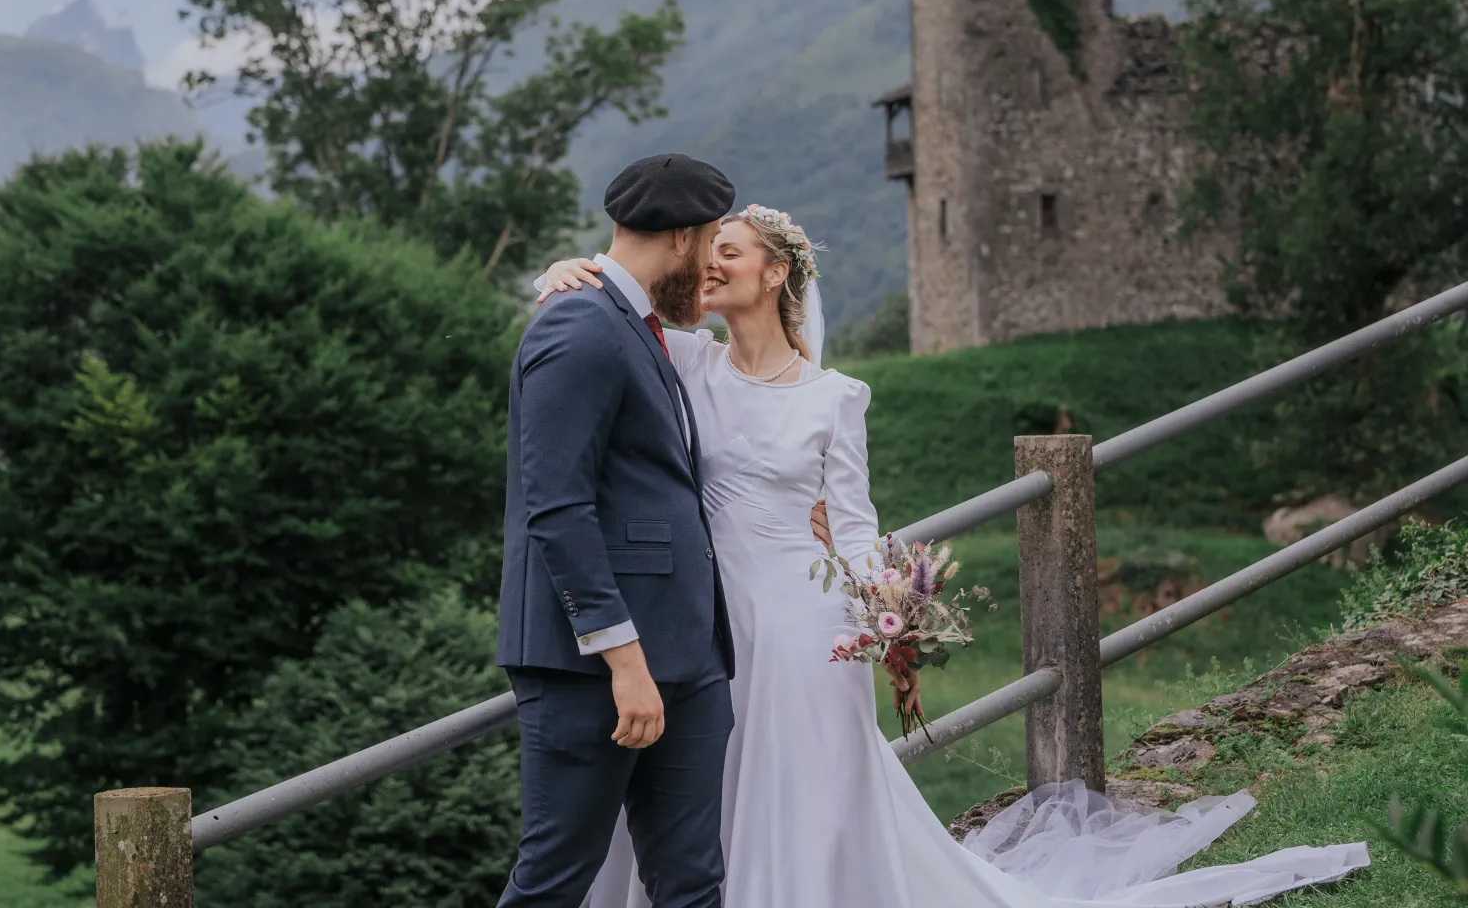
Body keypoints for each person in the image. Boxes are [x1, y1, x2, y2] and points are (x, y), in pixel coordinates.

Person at [535, 204, 1372, 908]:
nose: (707, 266)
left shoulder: (835, 399)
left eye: (728, 252)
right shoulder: (685, 361)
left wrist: (893, 618)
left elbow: (857, 528)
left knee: (799, 791)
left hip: (802, 626)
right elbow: (606, 313)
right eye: (705, 250)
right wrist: (560, 274)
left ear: (776, 273)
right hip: (705, 619)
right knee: (699, 788)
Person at [495, 153, 740, 908]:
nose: (709, 267)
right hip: (596, 670)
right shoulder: (579, 326)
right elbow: (556, 507)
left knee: (692, 881)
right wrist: (623, 660)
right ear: (679, 238)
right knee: (555, 880)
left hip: (689, 662)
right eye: (709, 247)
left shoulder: (629, 322)